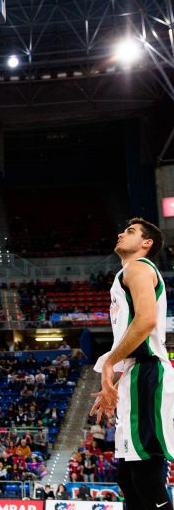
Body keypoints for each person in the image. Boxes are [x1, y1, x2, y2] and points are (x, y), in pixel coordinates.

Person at [91, 218, 174, 510]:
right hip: (134, 372)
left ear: (146, 243)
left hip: (147, 370)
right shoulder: (127, 272)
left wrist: (110, 363)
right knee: (129, 479)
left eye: (130, 231)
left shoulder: (138, 267)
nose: (120, 233)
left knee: (147, 476)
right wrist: (112, 372)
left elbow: (146, 320)